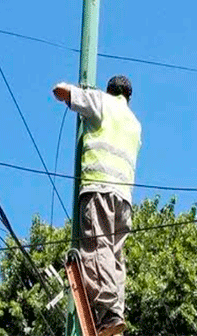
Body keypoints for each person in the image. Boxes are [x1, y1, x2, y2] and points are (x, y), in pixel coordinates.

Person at [53, 75, 141, 336]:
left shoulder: (103, 103)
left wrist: (81, 92)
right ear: (128, 96)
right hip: (124, 197)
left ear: (109, 90)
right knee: (115, 257)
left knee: (96, 247)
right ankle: (117, 313)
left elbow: (60, 91)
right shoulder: (135, 124)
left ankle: (107, 313)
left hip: (98, 186)